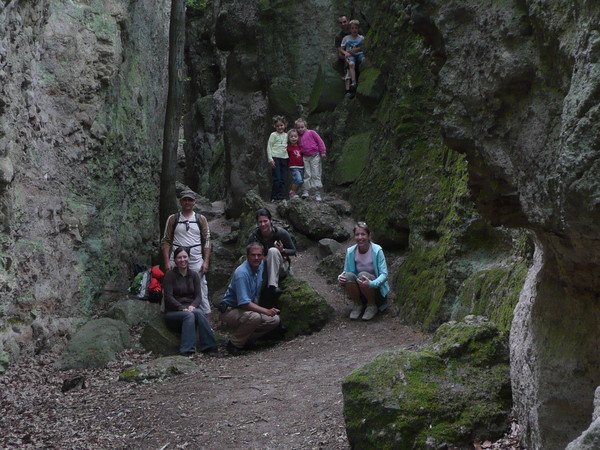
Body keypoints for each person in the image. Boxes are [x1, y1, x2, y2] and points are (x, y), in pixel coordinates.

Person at [219, 242, 281, 356]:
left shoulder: (260, 265)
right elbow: (244, 303)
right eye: (253, 255)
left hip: (246, 309)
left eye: (259, 255)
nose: (256, 258)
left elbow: (269, 259)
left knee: (274, 320)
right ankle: (234, 344)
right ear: (247, 256)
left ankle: (246, 340)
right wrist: (266, 311)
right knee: (255, 317)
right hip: (231, 309)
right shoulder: (242, 273)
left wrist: (283, 254)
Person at [161, 189, 212, 321]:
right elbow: (166, 240)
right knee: (169, 284)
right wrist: (167, 261)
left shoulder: (201, 219)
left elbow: (207, 240)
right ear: (180, 201)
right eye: (185, 200)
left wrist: (206, 261)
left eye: (190, 200)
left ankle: (206, 317)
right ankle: (166, 313)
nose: (187, 202)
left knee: (201, 286)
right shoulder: (173, 219)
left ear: (194, 202)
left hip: (195, 257)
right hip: (177, 256)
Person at [163, 247, 218, 356]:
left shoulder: (194, 275)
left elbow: (198, 296)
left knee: (199, 313)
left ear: (189, 258)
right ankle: (186, 350)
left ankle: (210, 347)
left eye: (185, 257)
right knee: (189, 316)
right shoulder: (170, 275)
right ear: (175, 260)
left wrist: (193, 306)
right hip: (174, 312)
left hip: (190, 309)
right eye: (179, 257)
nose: (182, 260)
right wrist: (181, 308)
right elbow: (168, 297)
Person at [338, 222, 389, 321]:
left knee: (363, 275)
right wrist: (340, 277)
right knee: (347, 276)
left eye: (363, 234)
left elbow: (384, 274)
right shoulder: (351, 251)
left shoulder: (377, 250)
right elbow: (346, 271)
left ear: (369, 236)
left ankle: (371, 306)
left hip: (376, 290)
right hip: (360, 290)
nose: (360, 237)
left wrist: (371, 283)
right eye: (357, 234)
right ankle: (358, 305)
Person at [247, 208, 296, 298]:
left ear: (271, 220)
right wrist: (264, 258)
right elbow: (248, 255)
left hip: (280, 267)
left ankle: (272, 287)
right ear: (257, 223)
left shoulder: (280, 233)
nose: (263, 224)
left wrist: (282, 251)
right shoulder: (254, 236)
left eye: (265, 221)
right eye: (260, 222)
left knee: (273, 251)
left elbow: (293, 251)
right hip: (261, 268)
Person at [295, 118, 326, 201]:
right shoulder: (298, 137)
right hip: (305, 157)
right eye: (298, 128)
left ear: (306, 126)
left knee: (315, 173)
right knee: (307, 174)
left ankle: (317, 193)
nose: (300, 129)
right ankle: (305, 191)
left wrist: (323, 151)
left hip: (315, 156)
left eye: (302, 127)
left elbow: (320, 141)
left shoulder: (311, 132)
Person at [266, 115, 289, 201]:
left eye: (281, 125)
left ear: (285, 125)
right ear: (275, 126)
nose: (280, 127)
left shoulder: (287, 135)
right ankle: (274, 197)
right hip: (275, 157)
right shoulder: (273, 135)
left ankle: (281, 196)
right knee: (277, 178)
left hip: (285, 158)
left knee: (283, 178)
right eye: (277, 126)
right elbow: (269, 147)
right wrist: (270, 159)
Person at [341, 20, 365, 91]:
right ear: (350, 29)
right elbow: (341, 48)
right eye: (352, 28)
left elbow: (364, 47)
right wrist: (345, 53)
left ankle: (363, 78)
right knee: (351, 64)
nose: (354, 30)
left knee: (363, 60)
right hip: (351, 55)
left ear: (358, 29)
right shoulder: (346, 38)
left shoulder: (361, 38)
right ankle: (354, 82)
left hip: (360, 54)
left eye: (356, 28)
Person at [334, 15, 351, 92]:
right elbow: (339, 50)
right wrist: (345, 55)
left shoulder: (355, 30)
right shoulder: (338, 36)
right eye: (341, 23)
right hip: (345, 57)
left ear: (348, 21)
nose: (343, 24)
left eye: (344, 22)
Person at [286, 129, 304, 199]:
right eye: (291, 137)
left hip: (301, 166)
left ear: (298, 137)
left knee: (300, 181)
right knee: (298, 180)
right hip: (293, 166)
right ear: (289, 138)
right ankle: (292, 192)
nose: (293, 138)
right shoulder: (288, 148)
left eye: (295, 136)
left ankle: (294, 193)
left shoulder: (300, 147)